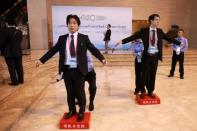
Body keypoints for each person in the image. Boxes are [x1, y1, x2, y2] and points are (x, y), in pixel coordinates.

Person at [36, 14, 106, 121]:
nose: (72, 25)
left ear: (78, 25)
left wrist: (102, 58)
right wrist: (41, 60)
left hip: (79, 70)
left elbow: (93, 49)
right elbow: (52, 51)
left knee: (80, 92)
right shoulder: (62, 39)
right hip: (67, 70)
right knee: (70, 92)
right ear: (67, 25)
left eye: (74, 23)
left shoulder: (84, 38)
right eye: (70, 23)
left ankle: (81, 111)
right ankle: (72, 110)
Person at [115, 14, 181, 99]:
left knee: (153, 75)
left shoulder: (160, 31)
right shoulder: (144, 31)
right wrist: (122, 41)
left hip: (155, 56)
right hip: (146, 56)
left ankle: (150, 91)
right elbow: (133, 37)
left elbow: (169, 38)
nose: (158, 21)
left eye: (158, 20)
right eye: (156, 19)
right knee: (144, 75)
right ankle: (142, 91)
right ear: (151, 20)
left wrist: (179, 43)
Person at [1, 19, 24, 86]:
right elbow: (20, 40)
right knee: (19, 66)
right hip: (18, 52)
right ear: (15, 24)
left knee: (11, 67)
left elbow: (2, 42)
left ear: (7, 24)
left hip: (8, 53)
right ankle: (21, 80)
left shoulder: (4, 31)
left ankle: (15, 82)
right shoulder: (19, 31)